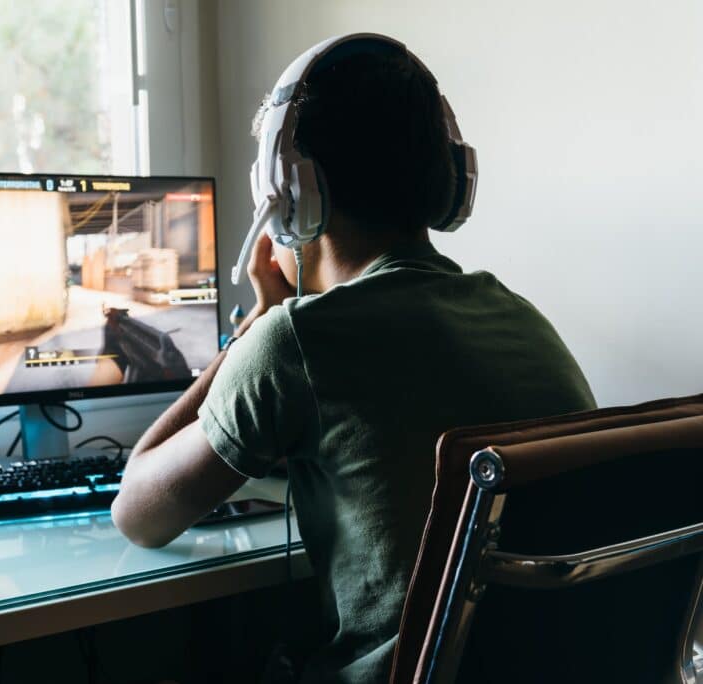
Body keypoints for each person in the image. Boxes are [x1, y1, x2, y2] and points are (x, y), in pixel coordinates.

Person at [111, 35, 596, 682]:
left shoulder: (295, 342)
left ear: (288, 192)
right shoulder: (523, 318)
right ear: (447, 175)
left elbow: (137, 514)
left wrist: (257, 327)